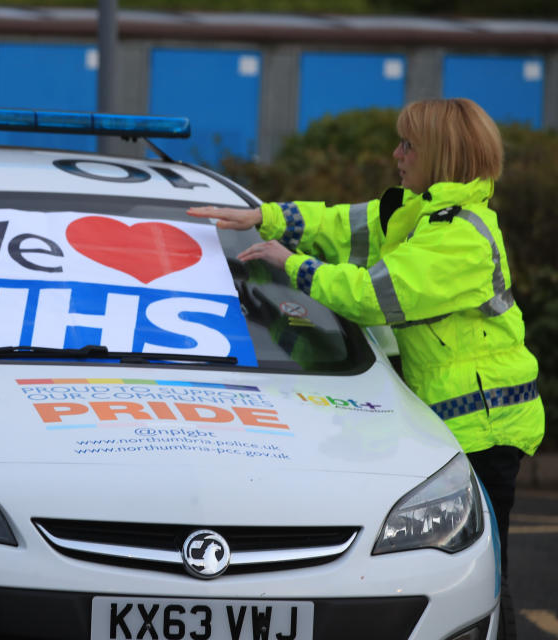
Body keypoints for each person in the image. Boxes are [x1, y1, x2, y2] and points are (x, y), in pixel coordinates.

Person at [188, 97, 543, 636]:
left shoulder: (460, 237)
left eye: (408, 145)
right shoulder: (420, 214)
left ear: (441, 156)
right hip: (458, 422)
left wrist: (292, 265)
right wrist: (267, 217)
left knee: (490, 581)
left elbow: (372, 297)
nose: (396, 154)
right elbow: (342, 226)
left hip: (486, 429)